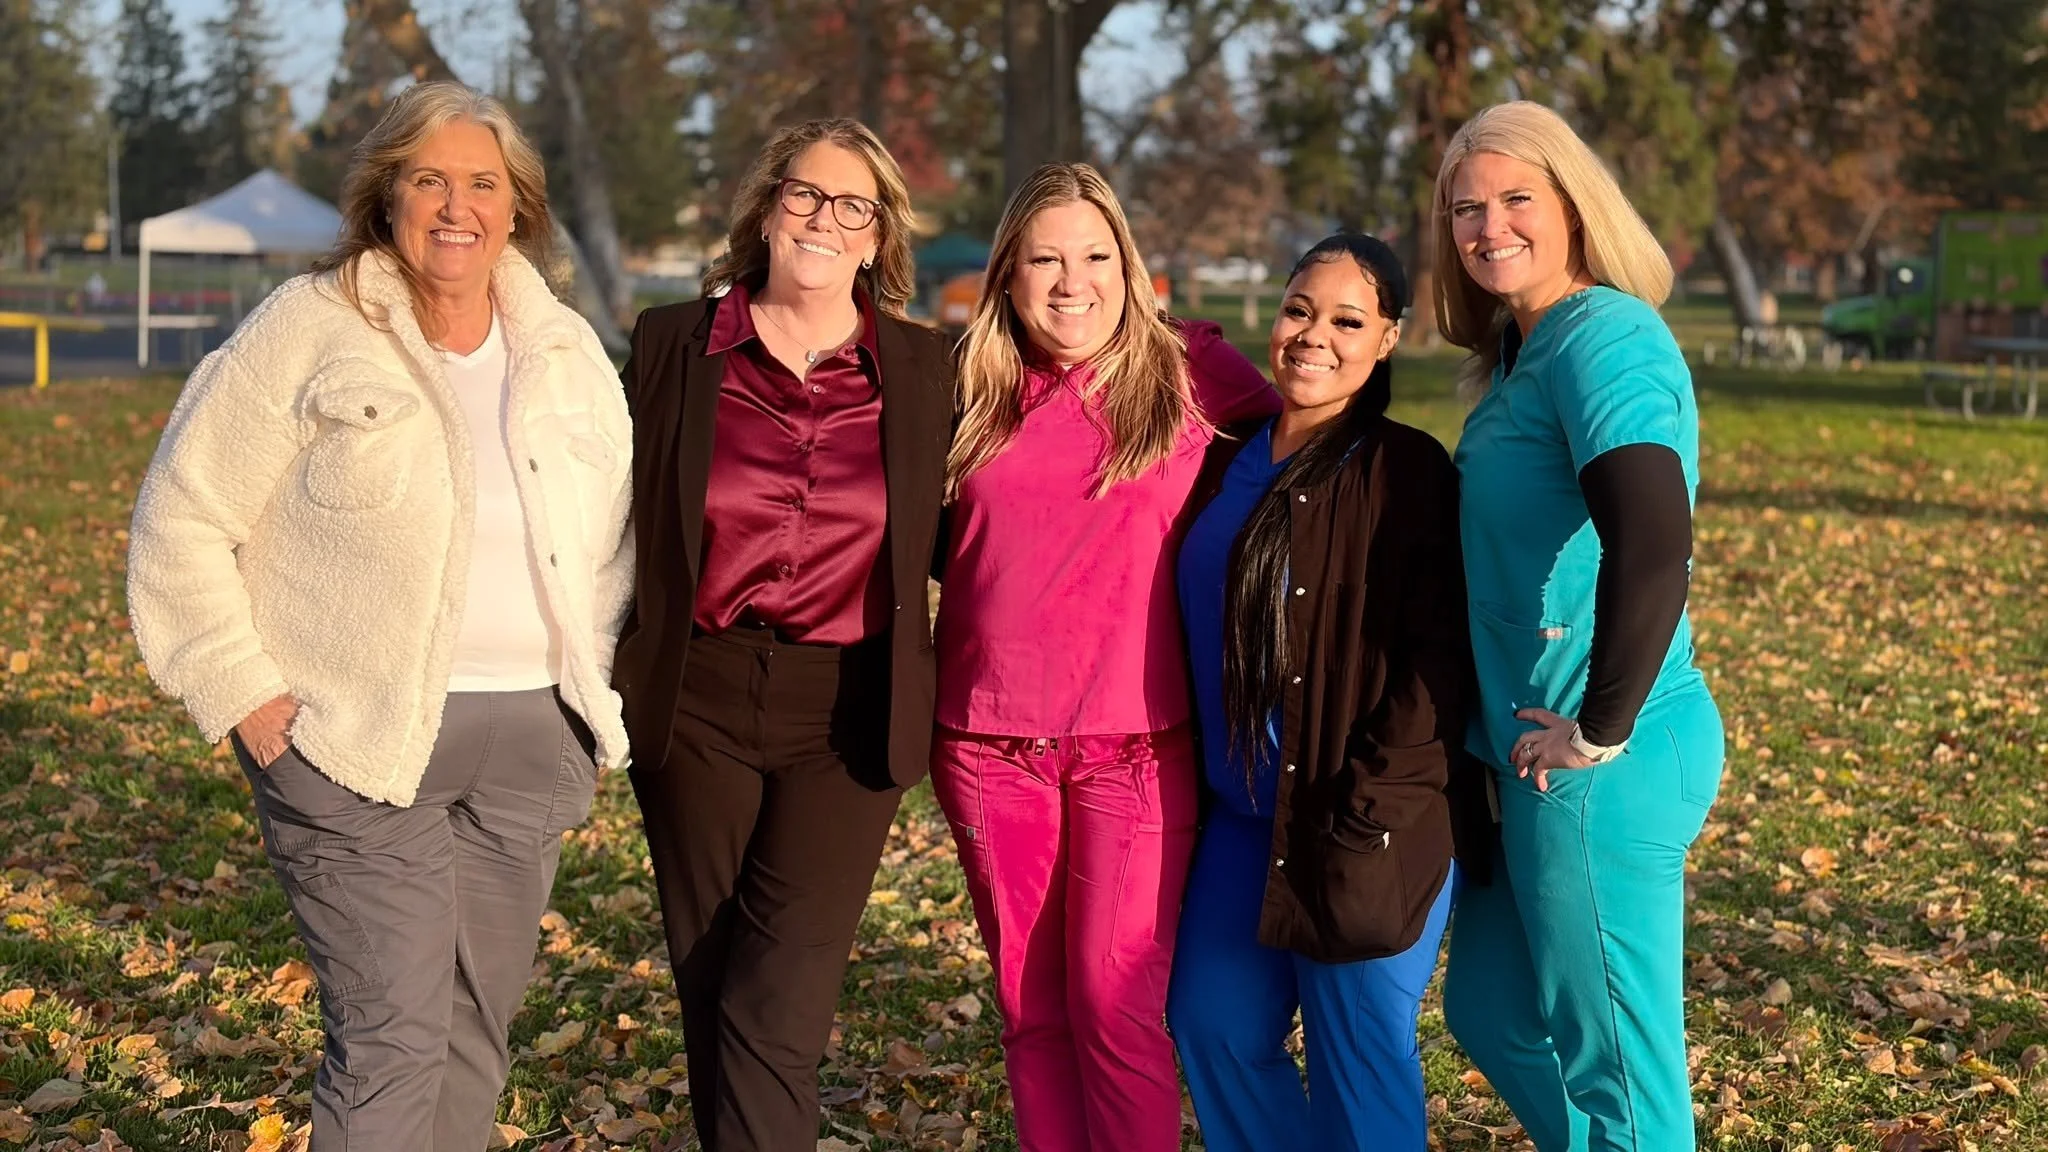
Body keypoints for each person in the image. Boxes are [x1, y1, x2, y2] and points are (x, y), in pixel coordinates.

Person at [126, 81, 632, 1150]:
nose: (457, 206)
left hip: (528, 742)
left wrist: (589, 700)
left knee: (471, 1029)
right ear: (385, 196)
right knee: (394, 1032)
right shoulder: (309, 329)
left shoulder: (565, 350)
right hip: (350, 741)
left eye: (483, 184)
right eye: (429, 179)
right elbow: (182, 512)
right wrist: (240, 690)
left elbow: (610, 541)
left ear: (518, 208)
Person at [609, 119, 955, 1151]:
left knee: (777, 1006)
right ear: (765, 205)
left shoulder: (927, 367)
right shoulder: (670, 343)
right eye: (804, 194)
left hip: (845, 715)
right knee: (714, 988)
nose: (822, 219)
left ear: (878, 234)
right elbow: (594, 505)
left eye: (853, 204)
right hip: (695, 697)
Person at [929, 161, 1279, 1152]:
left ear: (1129, 271)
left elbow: (1317, 432)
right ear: (1006, 275)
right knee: (1032, 1012)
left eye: (1093, 256)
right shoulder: (963, 388)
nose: (1069, 280)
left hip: (1136, 748)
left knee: (1113, 1006)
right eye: (1043, 258)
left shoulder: (1192, 374)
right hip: (985, 748)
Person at [1432, 100, 1725, 1152]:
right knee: (1494, 1013)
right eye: (1466, 208)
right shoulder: (1522, 350)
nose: (1488, 226)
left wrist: (1598, 728)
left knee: (1620, 1079)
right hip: (1527, 757)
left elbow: (1653, 539)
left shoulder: (1603, 336)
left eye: (1516, 199)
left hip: (1600, 759)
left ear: (1571, 206)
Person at [1165, 233, 1488, 1151]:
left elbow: (1440, 658)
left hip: (1361, 820)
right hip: (1238, 820)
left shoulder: (1405, 472)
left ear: (1388, 338)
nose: (1314, 336)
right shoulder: (1223, 457)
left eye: (1348, 320)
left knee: (1360, 1061)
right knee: (1215, 1028)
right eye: (1299, 310)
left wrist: (1370, 810)